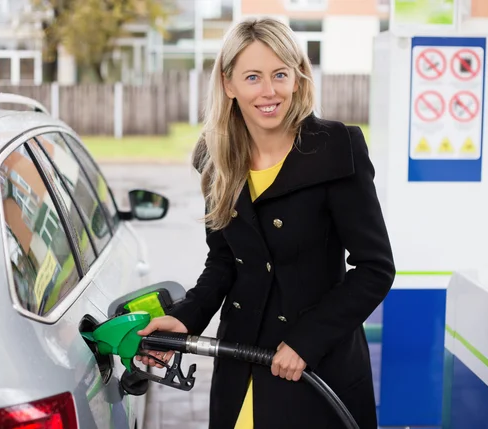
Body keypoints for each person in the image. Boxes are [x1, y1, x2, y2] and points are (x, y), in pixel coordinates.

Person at [137, 17, 395, 429]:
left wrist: (307, 341)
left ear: (298, 78)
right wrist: (185, 319)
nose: (268, 91)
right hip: (241, 366)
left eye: (279, 74)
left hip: (317, 371)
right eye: (253, 77)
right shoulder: (215, 156)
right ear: (229, 84)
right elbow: (224, 262)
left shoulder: (336, 147)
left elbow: (375, 268)